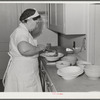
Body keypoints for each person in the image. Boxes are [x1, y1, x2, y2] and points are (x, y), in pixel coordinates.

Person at [2, 8, 46, 92]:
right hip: (24, 74)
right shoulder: (21, 32)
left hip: (24, 72)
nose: (37, 26)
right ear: (28, 20)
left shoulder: (23, 31)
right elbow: (24, 49)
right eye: (36, 23)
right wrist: (39, 48)